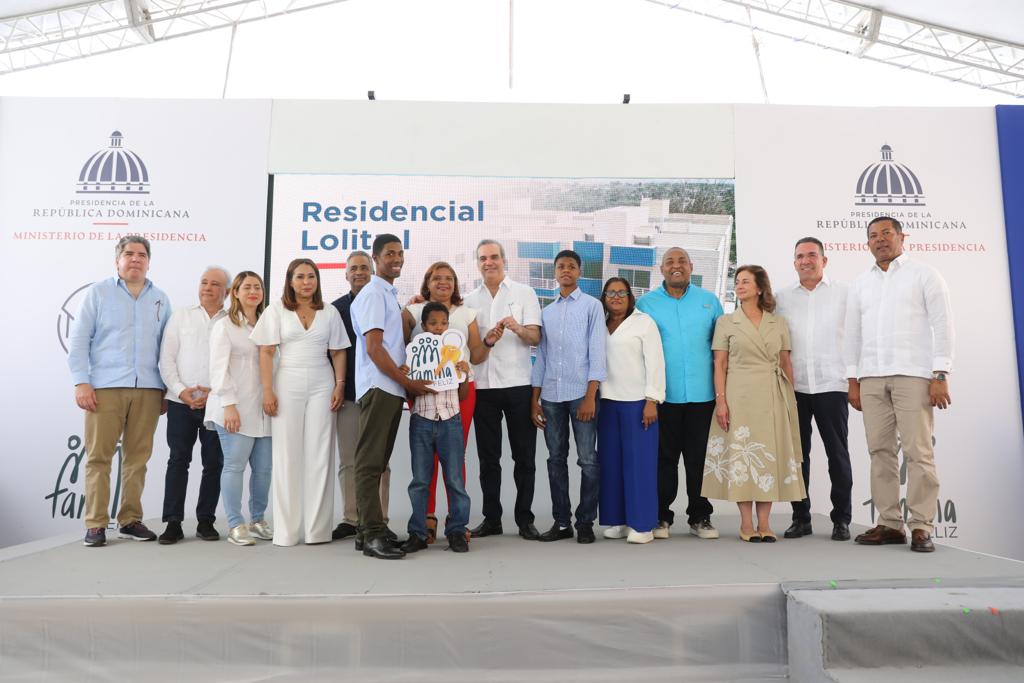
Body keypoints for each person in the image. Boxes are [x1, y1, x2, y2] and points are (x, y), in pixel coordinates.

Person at [845, 216, 954, 553]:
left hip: (913, 374)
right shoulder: (861, 283)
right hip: (871, 377)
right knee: (880, 451)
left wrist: (940, 373)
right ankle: (890, 524)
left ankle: (921, 525)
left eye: (886, 233)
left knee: (918, 451)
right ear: (867, 243)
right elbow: (852, 335)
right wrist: (853, 380)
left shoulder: (924, 274)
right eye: (873, 235)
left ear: (902, 237)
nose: (880, 239)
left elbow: (943, 324)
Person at [68, 235, 169, 547]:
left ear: (148, 262)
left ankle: (130, 520)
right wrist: (81, 381)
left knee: (137, 459)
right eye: (129, 254)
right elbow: (79, 339)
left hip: (149, 389)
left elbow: (168, 347)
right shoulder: (98, 293)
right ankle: (96, 524)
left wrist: (166, 388)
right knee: (99, 458)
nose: (135, 258)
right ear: (117, 261)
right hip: (105, 388)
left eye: (141, 254)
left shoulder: (160, 299)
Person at [701, 265, 806, 542]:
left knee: (767, 456)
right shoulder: (726, 322)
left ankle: (765, 523)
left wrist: (790, 401)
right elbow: (719, 364)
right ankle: (746, 523)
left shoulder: (777, 322)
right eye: (737, 281)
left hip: (772, 395)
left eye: (746, 281)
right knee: (742, 456)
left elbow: (785, 362)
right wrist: (721, 402)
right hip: (739, 395)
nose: (739, 285)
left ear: (760, 288)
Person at [251, 258, 349, 546]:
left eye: (311, 276)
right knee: (286, 454)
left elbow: (338, 352)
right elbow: (266, 352)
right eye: (300, 277)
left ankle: (318, 531)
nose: (307, 282)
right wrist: (267, 391)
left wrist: (339, 385)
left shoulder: (329, 312)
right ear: (290, 281)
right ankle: (287, 531)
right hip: (287, 381)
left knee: (321, 454)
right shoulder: (276, 310)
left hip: (323, 382)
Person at [351, 233, 435, 560]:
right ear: (375, 258)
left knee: (377, 462)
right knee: (369, 462)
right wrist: (407, 382)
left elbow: (387, 345)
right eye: (389, 253)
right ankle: (372, 534)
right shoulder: (374, 293)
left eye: (400, 253)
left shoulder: (387, 293)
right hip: (380, 387)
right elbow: (374, 349)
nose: (397, 258)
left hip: (390, 387)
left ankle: (367, 531)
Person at [403, 261, 497, 542]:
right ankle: (427, 517)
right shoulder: (412, 311)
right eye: (436, 278)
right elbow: (401, 348)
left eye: (449, 278)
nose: (443, 282)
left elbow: (476, 355)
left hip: (459, 393)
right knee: (425, 460)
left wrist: (488, 342)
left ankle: (456, 523)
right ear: (427, 282)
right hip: (423, 393)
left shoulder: (467, 313)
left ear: (455, 284)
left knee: (455, 456)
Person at [636, 247, 724, 540]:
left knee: (698, 460)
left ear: (691, 266)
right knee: (665, 459)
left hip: (702, 396)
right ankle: (661, 516)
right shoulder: (646, 304)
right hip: (663, 396)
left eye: (682, 261)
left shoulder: (709, 302)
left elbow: (722, 350)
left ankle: (700, 517)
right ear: (661, 269)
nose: (677, 266)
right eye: (670, 262)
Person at [464, 239, 543, 541]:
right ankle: (492, 519)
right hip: (484, 387)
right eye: (483, 258)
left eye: (494, 257)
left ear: (504, 260)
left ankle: (525, 520)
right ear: (478, 263)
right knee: (488, 459)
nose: (489, 262)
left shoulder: (525, 293)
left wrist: (517, 328)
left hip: (518, 385)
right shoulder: (469, 300)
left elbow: (535, 337)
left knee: (524, 459)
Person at [775, 237, 853, 542]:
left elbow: (856, 336)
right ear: (794, 262)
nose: (805, 261)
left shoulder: (845, 293)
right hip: (795, 387)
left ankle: (841, 519)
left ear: (824, 260)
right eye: (799, 256)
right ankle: (801, 518)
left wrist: (854, 378)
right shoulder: (782, 298)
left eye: (811, 255)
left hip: (832, 384)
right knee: (798, 457)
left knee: (838, 454)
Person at [531, 249, 607, 544]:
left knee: (588, 460)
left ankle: (585, 522)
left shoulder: (591, 306)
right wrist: (534, 400)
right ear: (555, 272)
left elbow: (597, 352)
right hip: (551, 395)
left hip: (581, 394)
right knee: (555, 459)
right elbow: (541, 356)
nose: (566, 270)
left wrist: (590, 396)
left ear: (579, 272)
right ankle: (562, 522)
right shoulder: (547, 312)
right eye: (561, 266)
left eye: (571, 266)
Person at [157, 266, 229, 544]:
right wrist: (180, 391)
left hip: (216, 403)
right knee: (178, 460)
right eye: (204, 282)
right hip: (180, 402)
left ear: (227, 291)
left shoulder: (232, 321)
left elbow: (234, 364)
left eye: (215, 284)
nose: (207, 288)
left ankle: (206, 521)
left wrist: (216, 393)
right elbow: (167, 359)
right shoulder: (181, 316)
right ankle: (173, 523)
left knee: (214, 463)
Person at [206, 272, 274, 546]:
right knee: (234, 466)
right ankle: (236, 524)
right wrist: (229, 406)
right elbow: (217, 370)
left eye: (257, 287)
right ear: (235, 292)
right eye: (246, 287)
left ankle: (258, 520)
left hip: (263, 409)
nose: (253, 292)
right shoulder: (225, 326)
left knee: (264, 469)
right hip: (234, 408)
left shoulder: (268, 324)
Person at [400, 302, 473, 554]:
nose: (439, 328)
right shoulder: (414, 355)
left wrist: (464, 374)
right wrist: (406, 376)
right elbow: (409, 393)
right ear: (423, 326)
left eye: (443, 323)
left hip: (450, 419)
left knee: (455, 478)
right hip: (422, 419)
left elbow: (463, 395)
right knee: (420, 479)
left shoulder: (456, 354)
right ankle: (418, 532)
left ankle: (457, 530)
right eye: (433, 323)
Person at [330, 251, 392, 541]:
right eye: (353, 268)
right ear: (346, 274)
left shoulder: (385, 300)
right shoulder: (335, 310)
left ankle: (379, 519)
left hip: (378, 392)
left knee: (379, 461)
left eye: (364, 267)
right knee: (349, 460)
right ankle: (352, 518)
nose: (359, 272)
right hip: (349, 395)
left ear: (372, 271)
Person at [598, 278, 664, 544]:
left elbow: (656, 363)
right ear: (604, 297)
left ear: (630, 297)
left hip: (638, 403)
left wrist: (652, 400)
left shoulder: (644, 323)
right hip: (607, 402)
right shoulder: (599, 324)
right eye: (610, 293)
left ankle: (643, 525)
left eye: (621, 292)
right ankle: (618, 520)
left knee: (640, 465)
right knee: (611, 464)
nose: (616, 297)